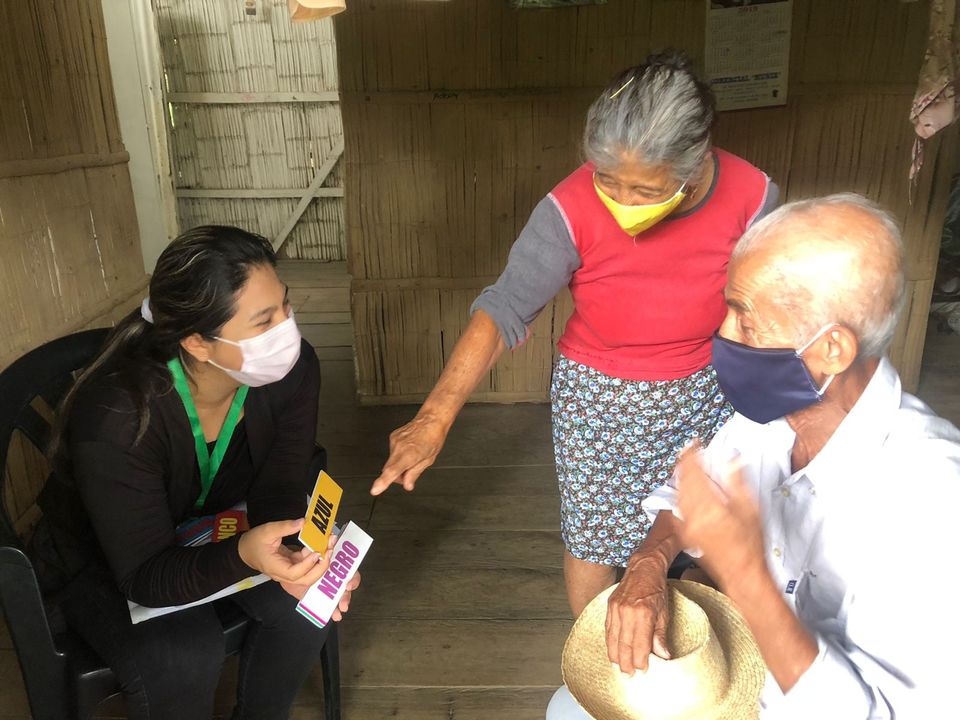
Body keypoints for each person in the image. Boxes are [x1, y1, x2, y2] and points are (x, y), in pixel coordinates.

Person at [370, 50, 779, 616]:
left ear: (697, 161)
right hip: (600, 401)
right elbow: (505, 306)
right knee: (595, 539)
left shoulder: (753, 197)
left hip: (712, 390)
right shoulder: (569, 206)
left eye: (645, 190)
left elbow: (769, 310)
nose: (622, 202)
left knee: (713, 531)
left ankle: (705, 654)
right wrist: (434, 418)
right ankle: (597, 662)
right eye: (608, 180)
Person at [549, 194, 960, 718]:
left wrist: (744, 576)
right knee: (567, 709)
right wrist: (648, 563)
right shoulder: (767, 419)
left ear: (832, 349)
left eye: (746, 323)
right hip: (737, 670)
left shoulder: (932, 499)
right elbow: (691, 499)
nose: (722, 336)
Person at [41, 226, 359, 720]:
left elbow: (280, 485)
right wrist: (246, 555)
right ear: (197, 342)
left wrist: (304, 554)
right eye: (264, 321)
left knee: (307, 602)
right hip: (106, 559)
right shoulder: (119, 416)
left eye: (286, 306)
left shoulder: (292, 372)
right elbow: (144, 575)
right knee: (184, 653)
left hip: (211, 521)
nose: (288, 331)